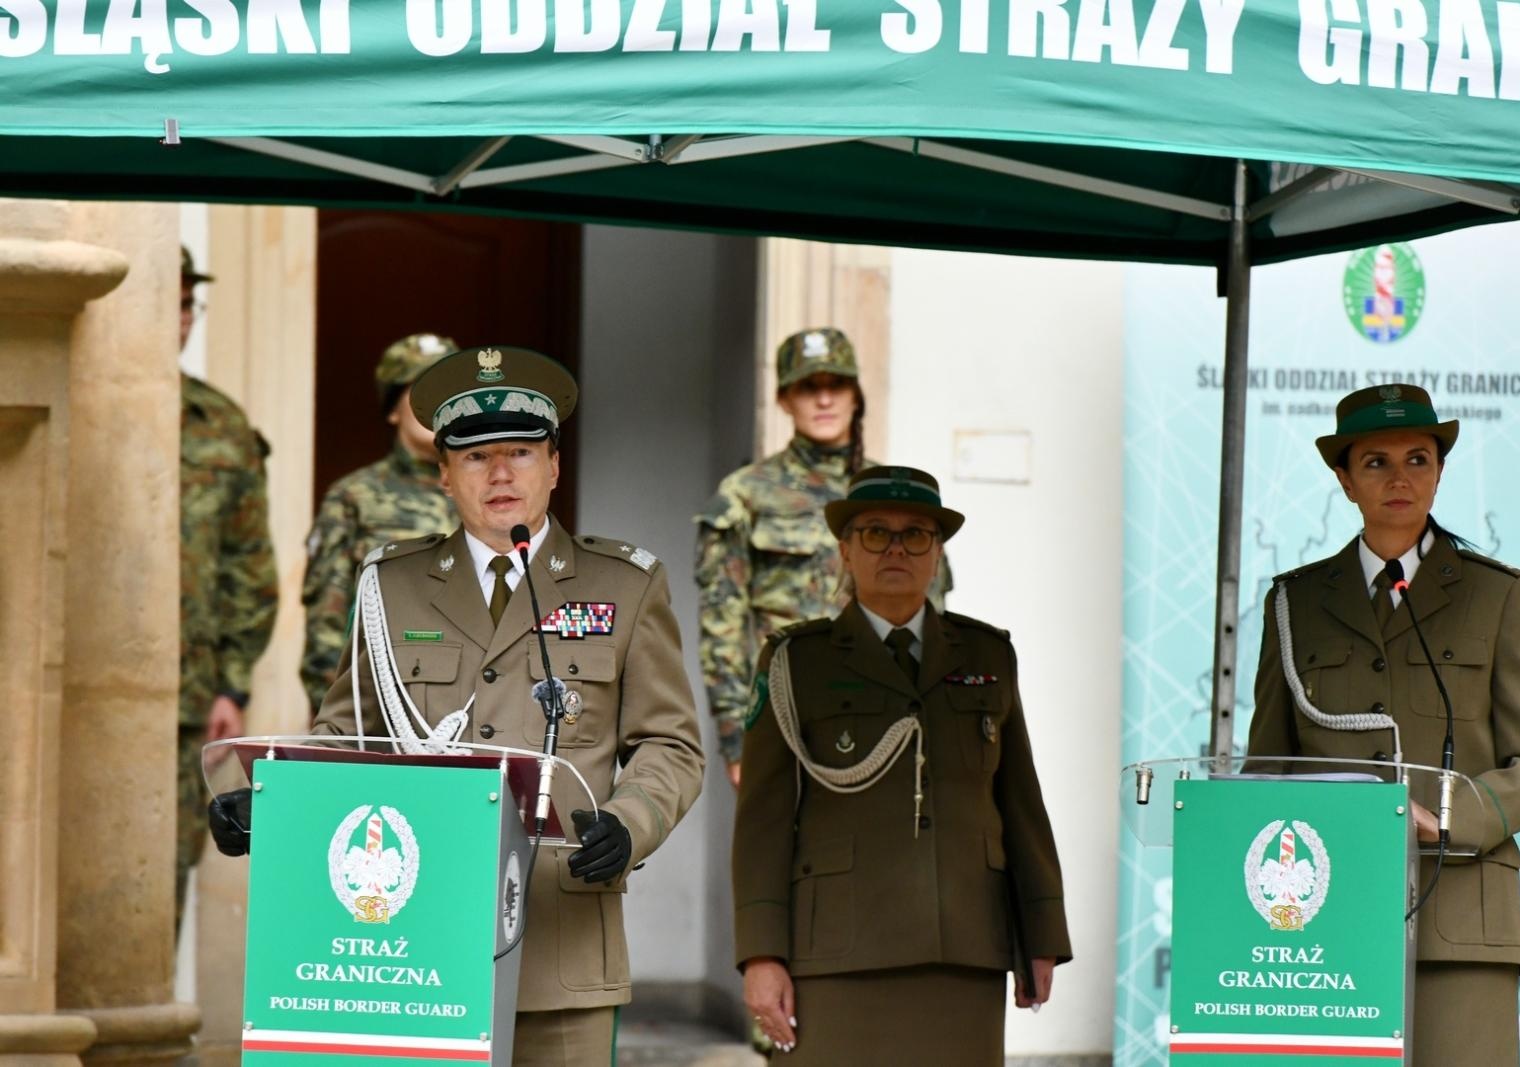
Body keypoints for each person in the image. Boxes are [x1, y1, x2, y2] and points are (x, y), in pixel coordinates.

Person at [213, 345, 705, 1067]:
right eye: (476, 457)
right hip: (411, 951)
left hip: (559, 941)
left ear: (554, 465)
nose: (501, 473)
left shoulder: (626, 586)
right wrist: (270, 802)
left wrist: (631, 824)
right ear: (443, 472)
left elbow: (671, 743)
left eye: (521, 452)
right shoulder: (391, 584)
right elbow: (346, 738)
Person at [1247, 384, 1520, 1066]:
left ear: (1440, 470)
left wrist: (1444, 814)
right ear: (1343, 478)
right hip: (1324, 928)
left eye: (1418, 458)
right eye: (1376, 462)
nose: (1400, 477)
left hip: (1462, 920)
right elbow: (1266, 774)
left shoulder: (1498, 594)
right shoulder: (1293, 603)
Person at [732, 465, 1070, 1065]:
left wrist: (1041, 935)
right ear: (845, 550)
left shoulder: (989, 655)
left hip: (965, 945)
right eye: (874, 532)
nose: (896, 547)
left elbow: (1021, 804)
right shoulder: (794, 663)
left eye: (916, 535)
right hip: (835, 953)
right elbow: (762, 823)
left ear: (937, 554)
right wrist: (762, 956)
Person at [696, 327, 951, 788]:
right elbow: (722, 628)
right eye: (808, 387)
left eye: (837, 385)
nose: (825, 400)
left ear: (857, 396)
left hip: (885, 713)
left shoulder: (894, 497)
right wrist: (737, 739)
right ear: (784, 400)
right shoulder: (745, 495)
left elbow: (933, 618)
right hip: (784, 712)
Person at [177, 245, 277, 917]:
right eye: (171, 299)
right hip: (48, 685)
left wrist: (232, 680)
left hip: (186, 695)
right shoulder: (61, 398)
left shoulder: (222, 425)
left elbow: (250, 562)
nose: (181, 316)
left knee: (166, 866)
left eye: (189, 302)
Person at [299, 331, 458, 712]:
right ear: (392, 408)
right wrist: (338, 722)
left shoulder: (494, 490)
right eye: (420, 390)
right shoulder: (354, 496)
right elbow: (327, 622)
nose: (436, 404)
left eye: (447, 390)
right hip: (382, 705)